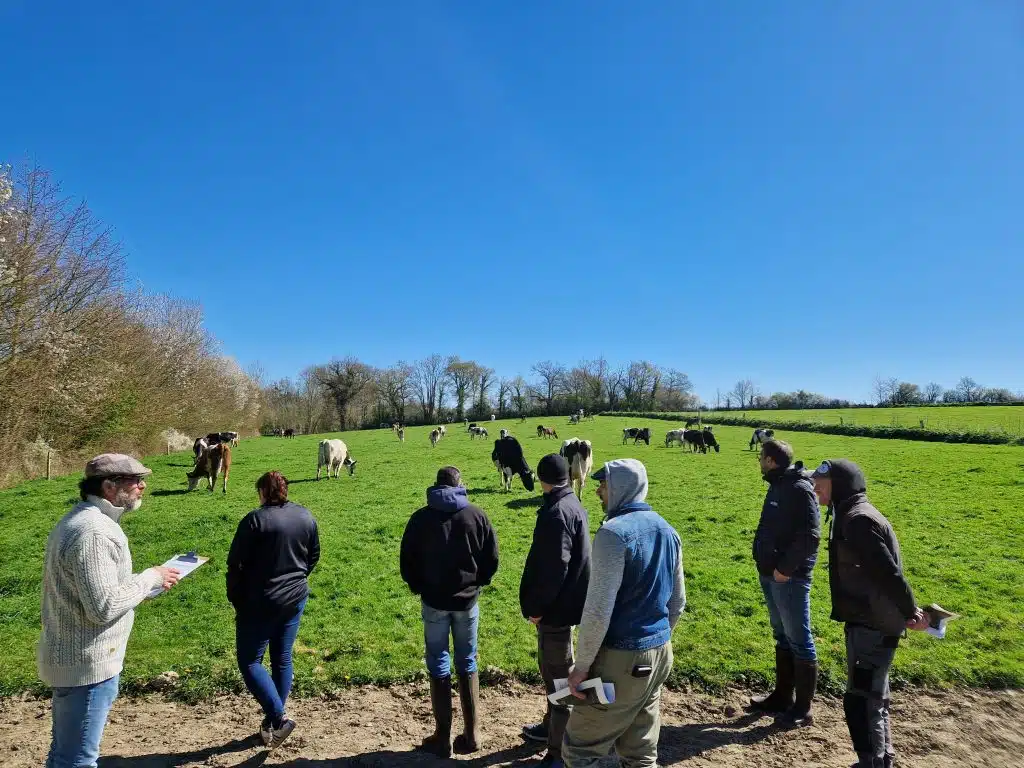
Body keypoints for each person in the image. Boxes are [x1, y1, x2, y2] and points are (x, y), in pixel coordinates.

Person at [39, 454, 181, 768]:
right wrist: (149, 578)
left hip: (75, 660)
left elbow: (96, 592)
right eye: (135, 481)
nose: (143, 486)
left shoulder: (85, 520)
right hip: (87, 665)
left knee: (63, 755)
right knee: (78, 760)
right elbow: (103, 607)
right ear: (109, 486)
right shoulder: (95, 533)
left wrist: (146, 588)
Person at [562, 459, 685, 768]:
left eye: (603, 485)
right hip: (659, 655)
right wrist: (655, 639)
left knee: (580, 750)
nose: (598, 492)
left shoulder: (613, 535)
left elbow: (598, 610)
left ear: (620, 488)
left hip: (620, 660)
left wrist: (581, 667)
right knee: (640, 753)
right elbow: (678, 602)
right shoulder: (668, 530)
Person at [811, 459, 930, 768]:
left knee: (861, 700)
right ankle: (881, 758)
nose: (814, 487)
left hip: (873, 625)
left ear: (840, 484)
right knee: (873, 695)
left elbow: (888, 573)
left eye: (820, 482)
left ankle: (872, 762)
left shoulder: (858, 520)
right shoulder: (850, 513)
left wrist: (910, 611)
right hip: (869, 620)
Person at [400, 466, 499, 757]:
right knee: (467, 660)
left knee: (437, 660)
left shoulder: (420, 518)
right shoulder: (477, 515)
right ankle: (473, 734)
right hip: (467, 603)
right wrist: (479, 583)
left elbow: (407, 560)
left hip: (434, 602)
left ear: (436, 486)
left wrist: (418, 586)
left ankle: (442, 737)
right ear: (460, 485)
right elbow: (491, 557)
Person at [227, 471, 320, 749]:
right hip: (295, 598)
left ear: (263, 492)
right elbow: (313, 555)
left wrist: (236, 597)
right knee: (282, 658)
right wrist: (297, 578)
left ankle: (278, 719)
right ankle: (272, 721)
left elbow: (235, 563)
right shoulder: (305, 516)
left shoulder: (254, 520)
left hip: (260, 601)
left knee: (250, 661)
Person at [519, 454, 592, 767]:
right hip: (564, 606)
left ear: (541, 479)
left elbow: (554, 568)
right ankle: (550, 727)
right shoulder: (572, 503)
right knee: (551, 673)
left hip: (556, 612)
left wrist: (537, 608)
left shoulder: (557, 513)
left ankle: (558, 754)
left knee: (560, 679)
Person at [748, 439, 821, 725]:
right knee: (782, 635)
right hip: (771, 572)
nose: (759, 461)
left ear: (770, 460)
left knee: (799, 639)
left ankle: (803, 709)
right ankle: (781, 697)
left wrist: (785, 570)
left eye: (761, 456)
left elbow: (811, 536)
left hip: (788, 577)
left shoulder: (798, 488)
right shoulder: (778, 485)